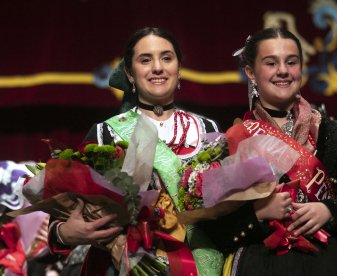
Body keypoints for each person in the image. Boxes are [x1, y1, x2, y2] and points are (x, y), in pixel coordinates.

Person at [201, 28, 337, 275]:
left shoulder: (330, 132)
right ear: (251, 72)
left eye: (291, 62)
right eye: (271, 63)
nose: (283, 70)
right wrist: (259, 213)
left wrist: (328, 210)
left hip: (334, 262)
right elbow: (216, 229)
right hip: (262, 264)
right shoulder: (235, 138)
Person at [47, 27, 222, 275]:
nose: (158, 67)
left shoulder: (207, 128)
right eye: (145, 60)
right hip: (125, 264)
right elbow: (63, 213)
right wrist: (65, 233)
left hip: (201, 262)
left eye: (167, 58)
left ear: (179, 68)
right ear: (130, 73)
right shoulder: (105, 134)